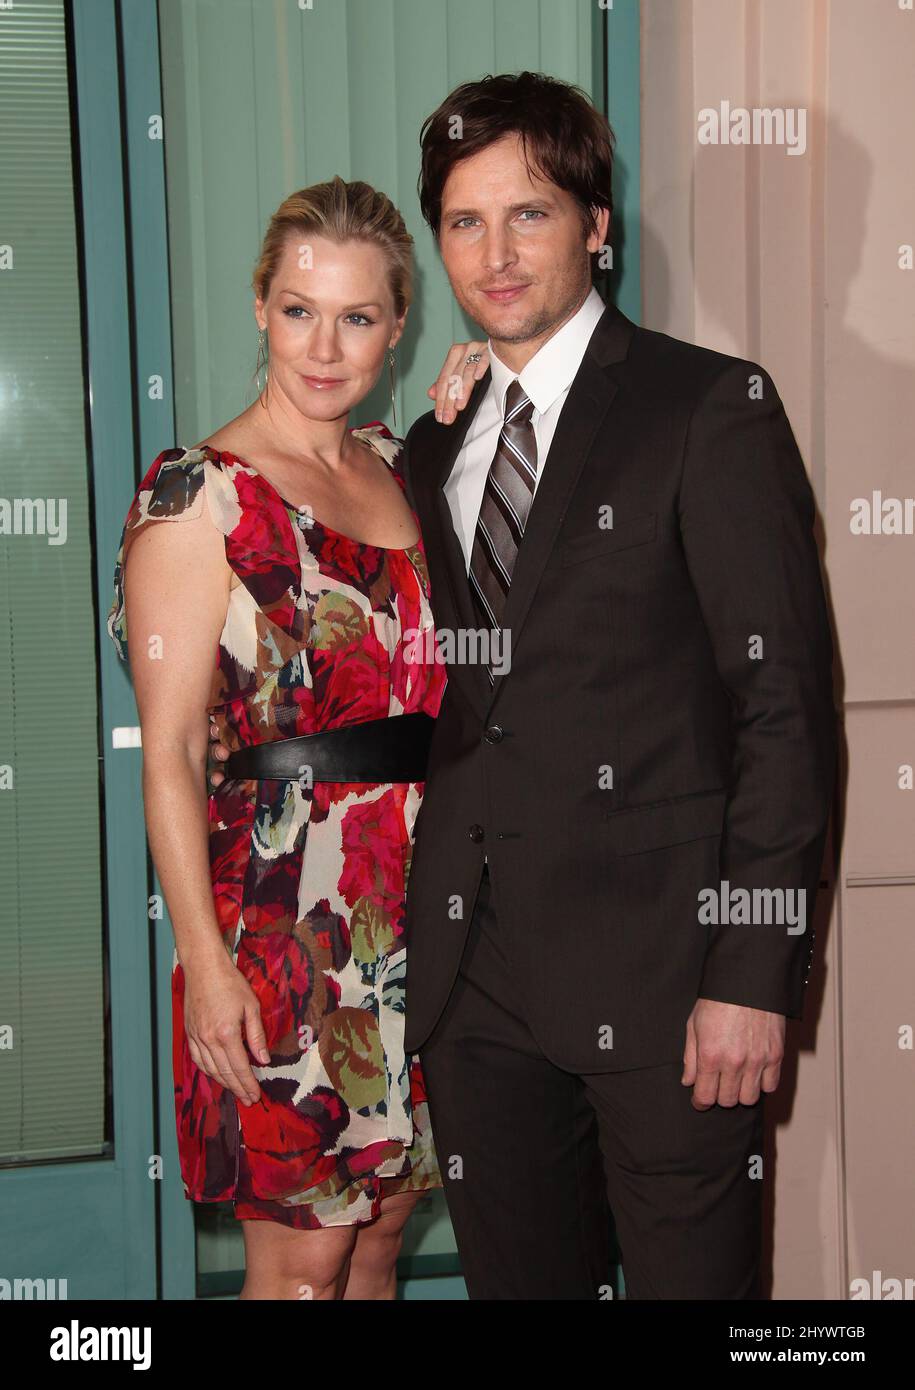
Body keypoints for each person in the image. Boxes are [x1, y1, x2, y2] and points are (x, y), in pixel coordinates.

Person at [395, 72, 837, 1299]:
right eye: (464, 221)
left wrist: (752, 973)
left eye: (529, 213)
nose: (494, 251)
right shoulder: (439, 442)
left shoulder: (708, 405)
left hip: (670, 978)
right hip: (477, 979)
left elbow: (784, 711)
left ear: (598, 222)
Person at [106, 177, 446, 1300]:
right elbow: (163, 756)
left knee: (385, 1237)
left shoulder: (407, 469)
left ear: (398, 327)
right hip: (280, 918)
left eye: (357, 317)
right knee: (305, 1264)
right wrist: (206, 967)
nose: (325, 345)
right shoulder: (197, 499)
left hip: (427, 908)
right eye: (299, 308)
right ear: (260, 304)